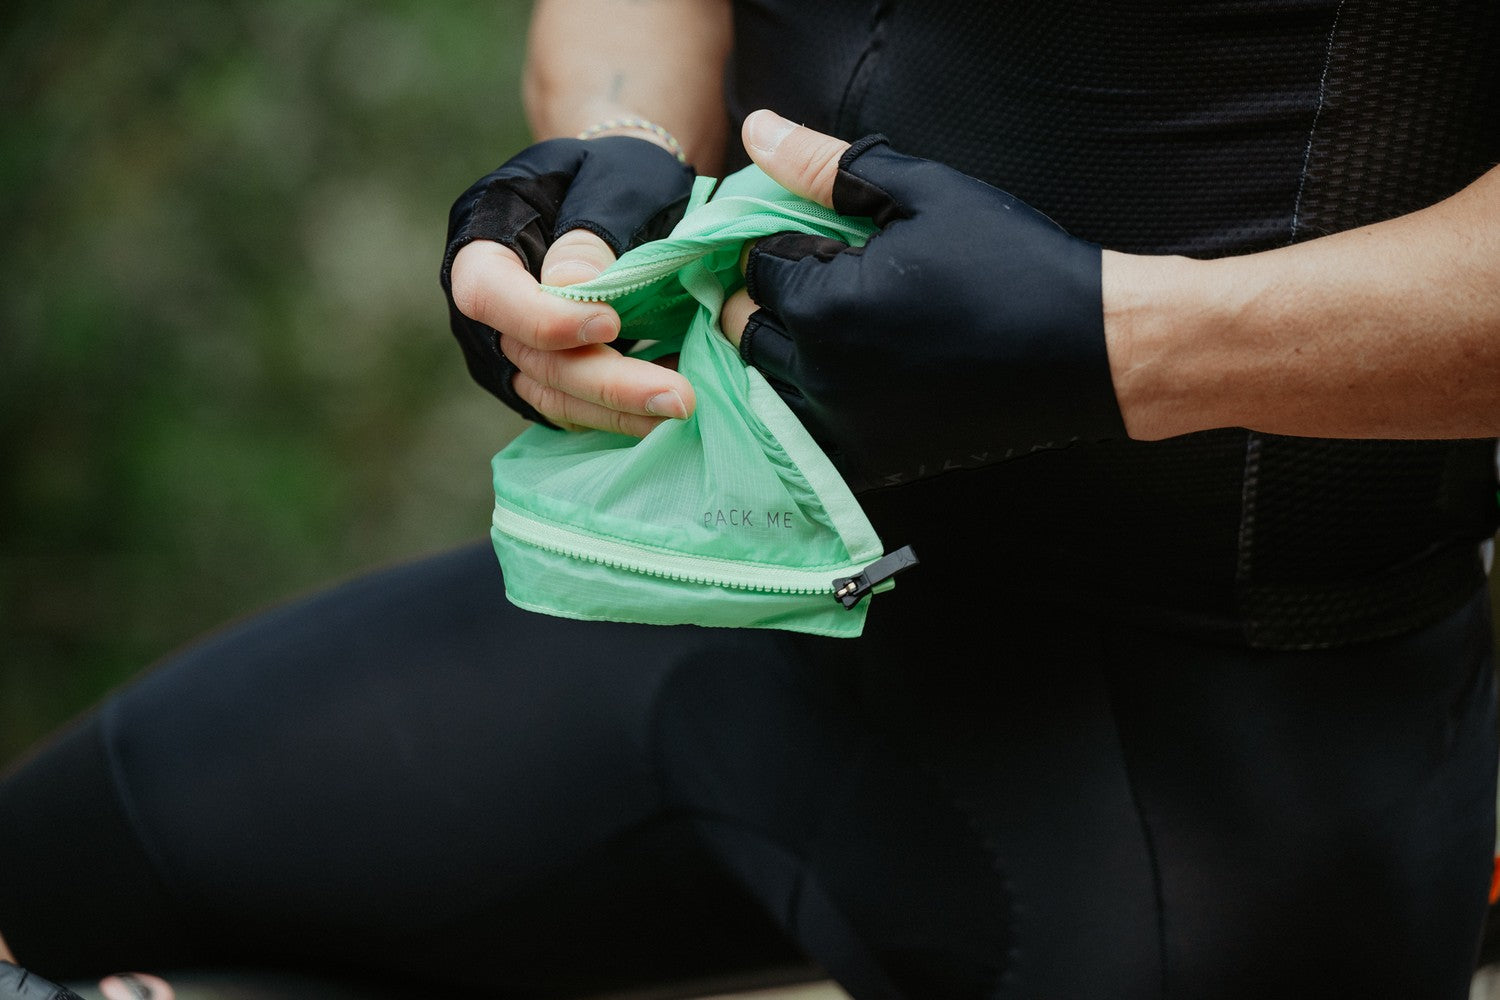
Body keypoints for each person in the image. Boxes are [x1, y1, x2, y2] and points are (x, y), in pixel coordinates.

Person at [4, 2, 1500, 999]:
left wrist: (1117, 341)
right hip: (755, 591)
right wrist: (614, 158)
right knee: (44, 888)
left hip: (1226, 753)